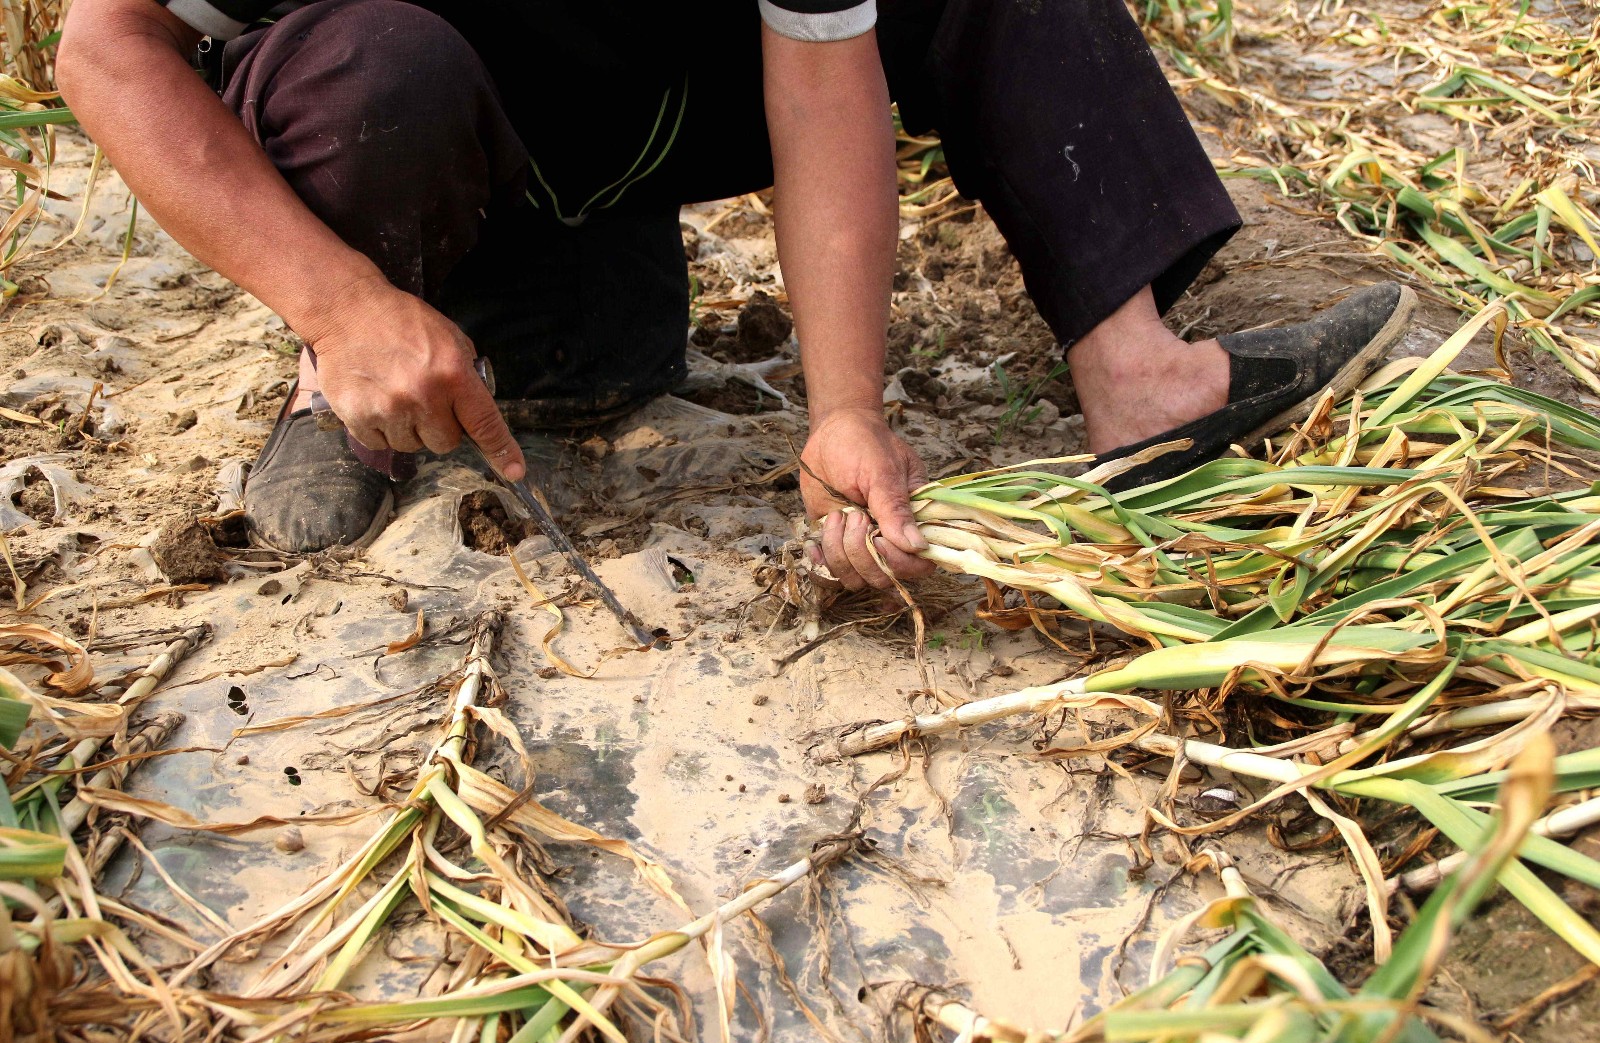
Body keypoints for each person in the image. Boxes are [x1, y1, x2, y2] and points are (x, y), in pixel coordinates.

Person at [56, 0, 1414, 591]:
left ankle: (1142, 376)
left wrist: (844, 407)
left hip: (637, 113)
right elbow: (107, 47)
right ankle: (341, 379)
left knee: (608, 350)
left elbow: (822, 76)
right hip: (421, 125)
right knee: (372, 78)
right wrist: (342, 302)